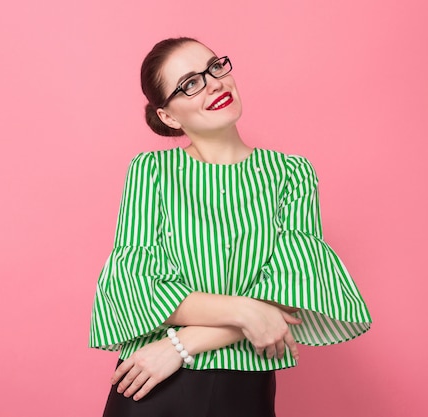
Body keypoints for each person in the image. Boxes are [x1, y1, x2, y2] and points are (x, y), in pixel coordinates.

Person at [89, 37, 372, 417]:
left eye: (214, 68)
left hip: (235, 386)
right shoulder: (151, 172)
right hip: (154, 390)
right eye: (190, 83)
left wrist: (179, 346)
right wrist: (245, 311)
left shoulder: (291, 174)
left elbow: (292, 291)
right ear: (170, 117)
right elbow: (135, 288)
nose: (214, 83)